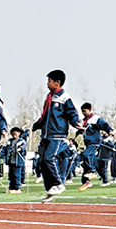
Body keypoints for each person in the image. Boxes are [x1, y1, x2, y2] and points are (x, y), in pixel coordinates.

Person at [32, 70, 82, 202]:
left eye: (49, 81)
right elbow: (45, 117)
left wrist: (76, 122)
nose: (47, 84)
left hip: (58, 135)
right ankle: (51, 188)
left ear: (57, 82)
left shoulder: (64, 97)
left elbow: (72, 113)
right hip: (46, 135)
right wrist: (37, 125)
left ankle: (59, 184)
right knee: (42, 161)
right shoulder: (49, 98)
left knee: (49, 158)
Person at [4, 126, 28, 192]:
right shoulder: (9, 141)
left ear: (19, 133)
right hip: (11, 161)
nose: (14, 135)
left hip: (18, 161)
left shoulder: (21, 141)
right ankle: (11, 187)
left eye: (16, 133)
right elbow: (5, 149)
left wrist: (20, 148)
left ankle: (17, 188)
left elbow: (24, 146)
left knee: (16, 175)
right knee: (11, 175)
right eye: (13, 134)